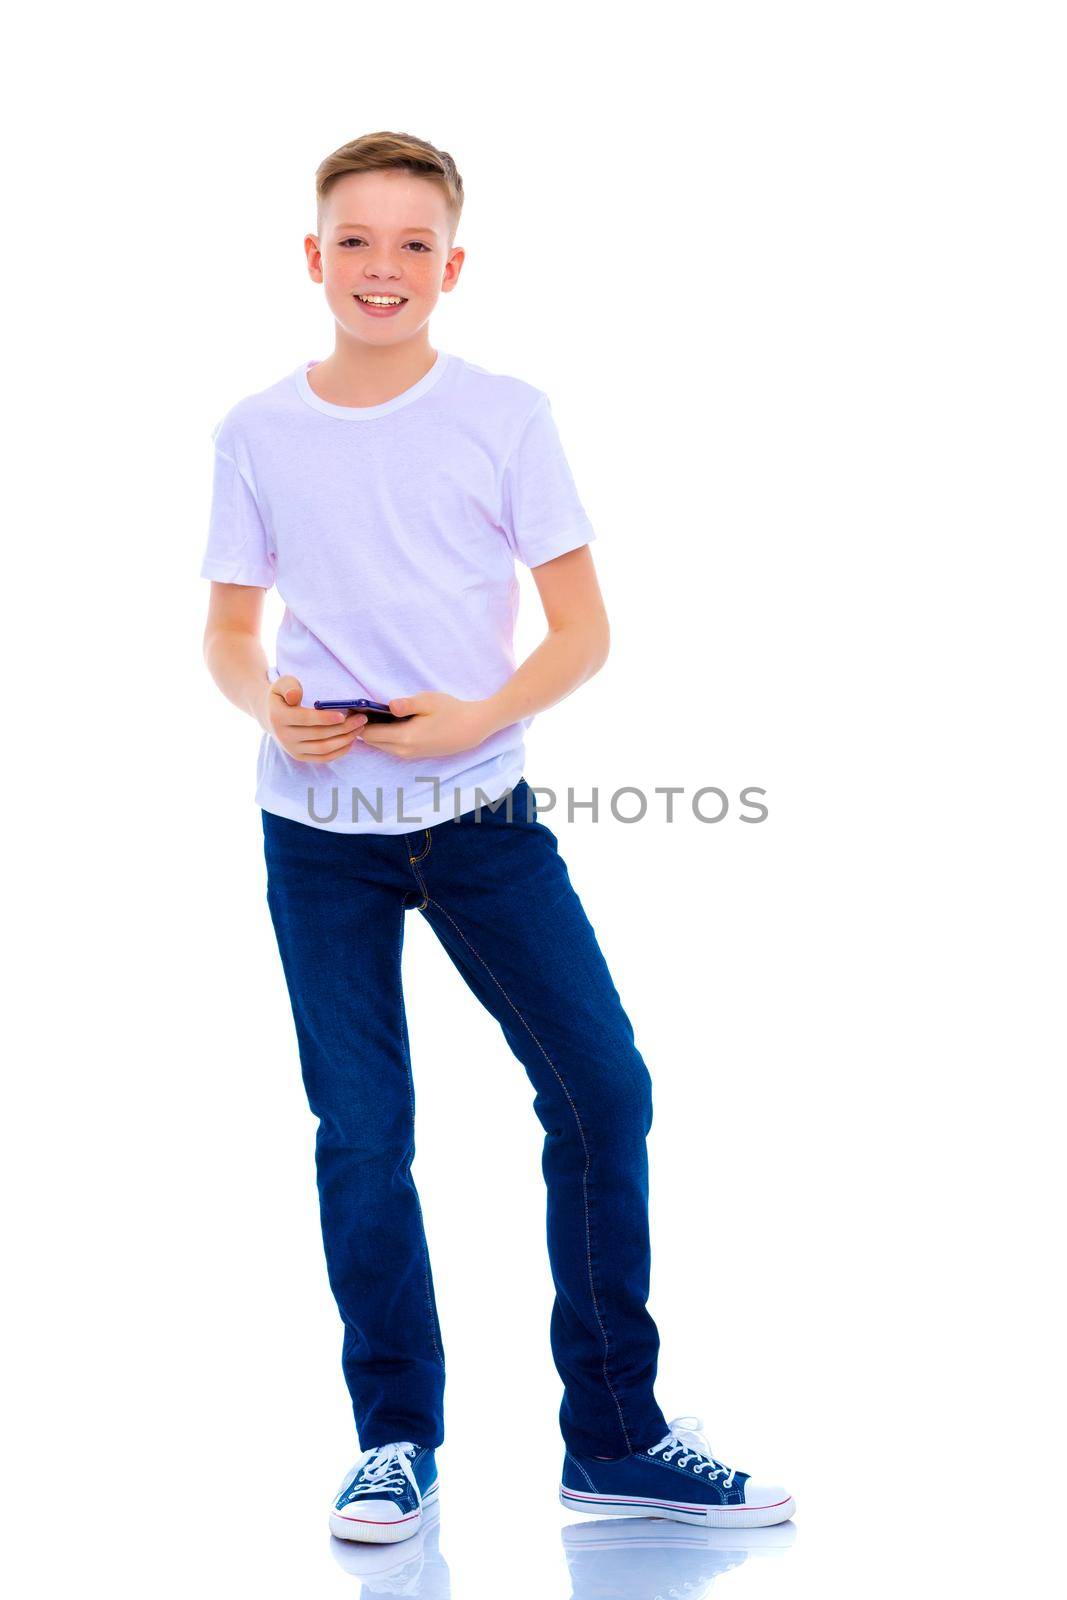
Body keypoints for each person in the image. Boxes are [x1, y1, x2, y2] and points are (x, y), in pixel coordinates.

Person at [200, 130, 795, 1546]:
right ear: (313, 258)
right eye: (357, 242)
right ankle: (394, 1439)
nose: (384, 268)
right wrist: (268, 710)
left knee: (601, 1087)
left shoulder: (507, 414)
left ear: (452, 266)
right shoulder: (255, 431)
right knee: (365, 1132)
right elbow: (228, 631)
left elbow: (584, 629)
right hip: (318, 834)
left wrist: (477, 717)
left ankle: (617, 1435)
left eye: (414, 245)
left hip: (483, 821)